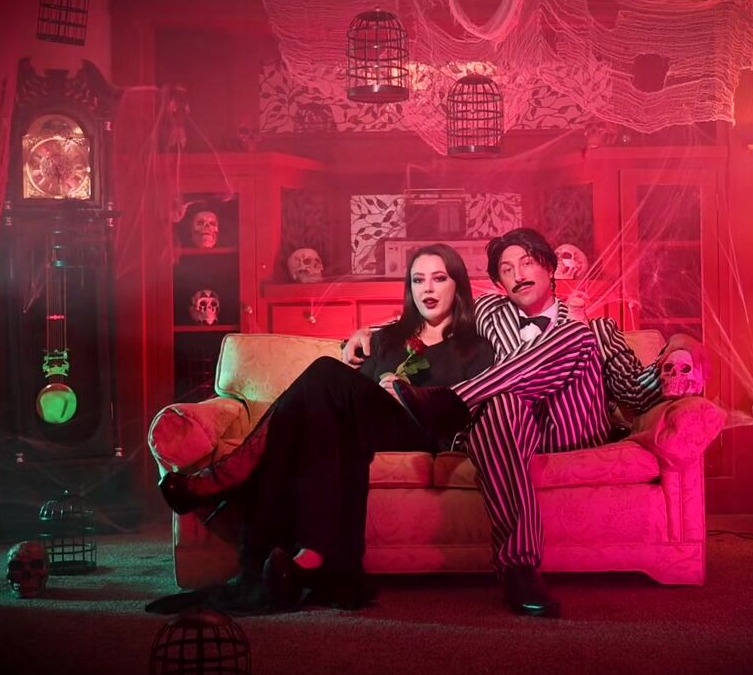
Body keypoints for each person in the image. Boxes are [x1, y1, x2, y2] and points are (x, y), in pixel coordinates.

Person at [342, 228, 671, 618]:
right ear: (499, 281)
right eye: (507, 269)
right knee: (499, 405)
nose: (519, 275)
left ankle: (455, 400)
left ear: (550, 268)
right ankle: (519, 568)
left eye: (528, 263)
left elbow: (635, 394)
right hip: (510, 431)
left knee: (576, 336)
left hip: (572, 428)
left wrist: (675, 360)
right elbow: (428, 315)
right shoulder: (487, 312)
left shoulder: (598, 329)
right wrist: (364, 334)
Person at [155, 244, 495, 612]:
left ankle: (232, 475)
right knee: (322, 424)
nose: (427, 288)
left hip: (419, 428)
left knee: (324, 372)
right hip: (367, 428)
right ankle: (312, 557)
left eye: (439, 278)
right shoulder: (388, 338)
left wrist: (403, 393)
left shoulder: (474, 348)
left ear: (457, 285)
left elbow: (459, 412)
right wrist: (370, 357)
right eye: (417, 280)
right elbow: (351, 397)